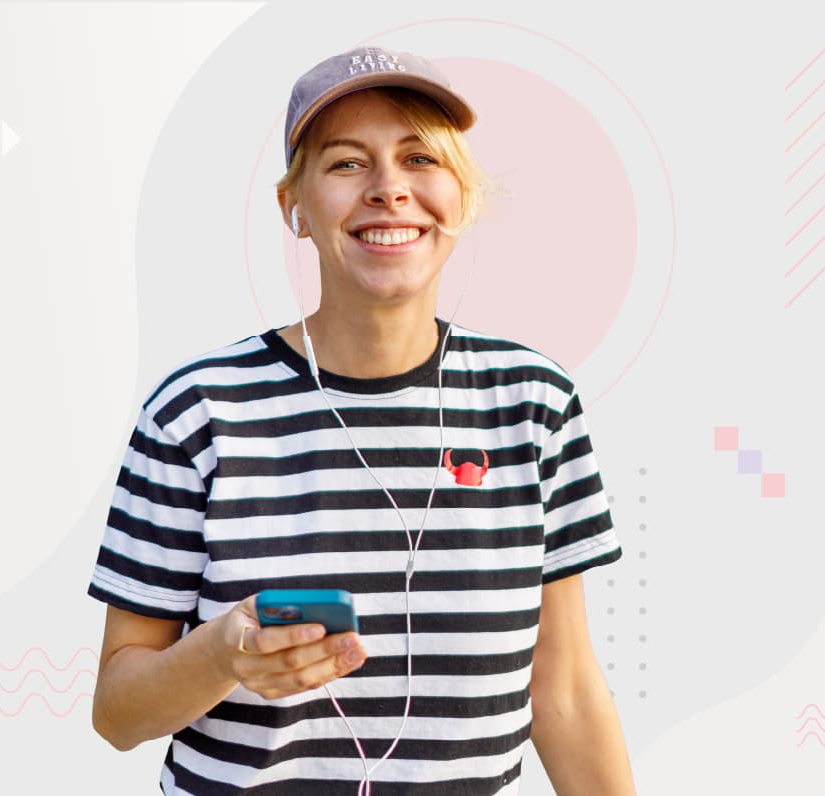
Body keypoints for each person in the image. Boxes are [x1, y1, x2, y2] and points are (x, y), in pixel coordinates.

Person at [88, 46, 636, 795]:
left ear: (461, 198)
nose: (389, 190)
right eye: (347, 164)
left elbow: (565, 692)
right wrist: (220, 654)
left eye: (419, 159)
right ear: (295, 208)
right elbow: (117, 714)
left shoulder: (532, 403)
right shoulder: (197, 411)